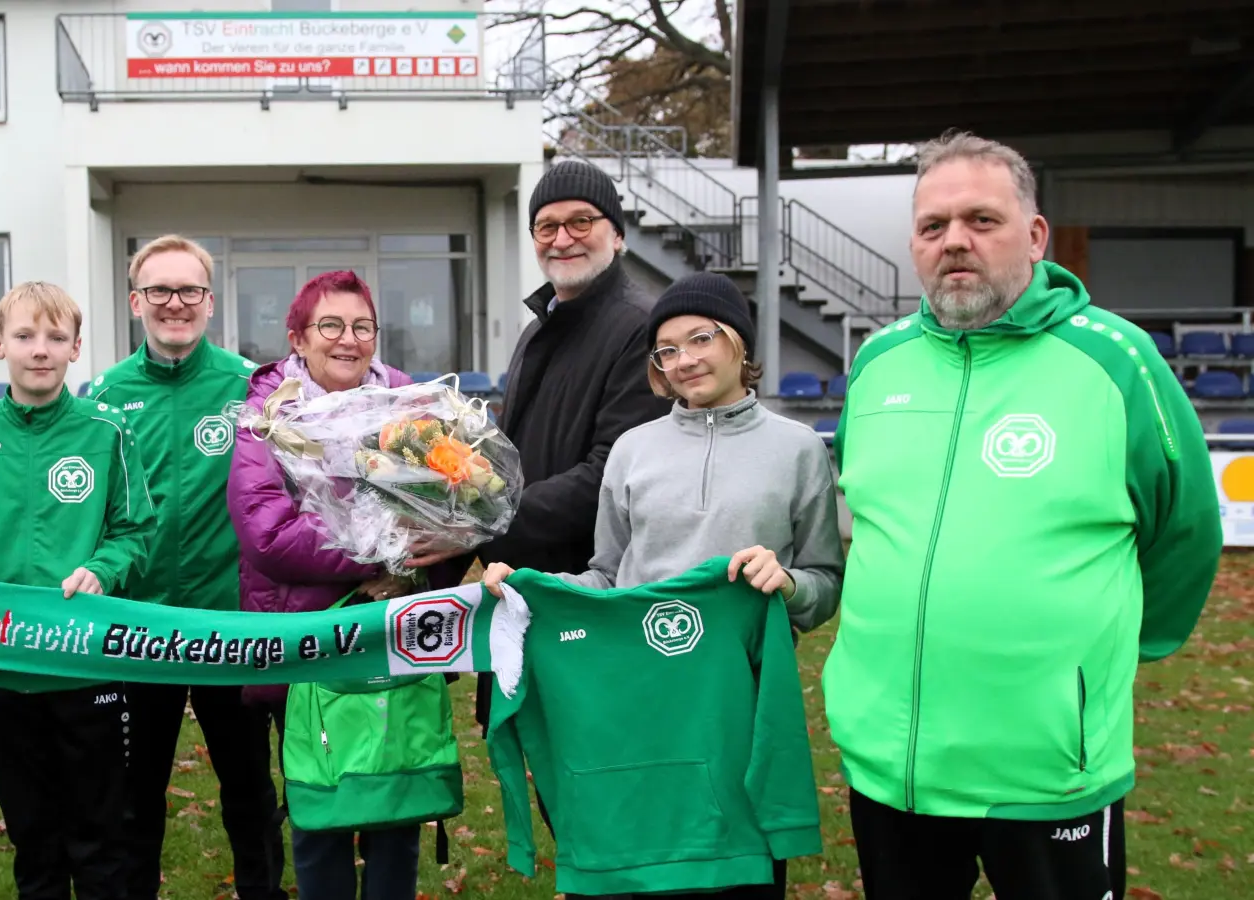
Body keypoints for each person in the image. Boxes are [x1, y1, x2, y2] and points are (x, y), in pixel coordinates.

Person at [827, 131, 1221, 900]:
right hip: (890, 766)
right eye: (933, 226)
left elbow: (1186, 531)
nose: (955, 242)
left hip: (1045, 768)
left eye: (982, 220)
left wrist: (1091, 666)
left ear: (1035, 235)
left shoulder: (1116, 360)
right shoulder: (878, 365)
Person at [482, 272, 844, 899]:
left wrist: (787, 583)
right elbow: (607, 573)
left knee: (738, 870)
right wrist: (530, 590)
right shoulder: (631, 449)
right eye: (667, 350)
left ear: (738, 343)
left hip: (738, 706)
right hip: (641, 702)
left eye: (700, 339)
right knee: (644, 864)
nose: (684, 361)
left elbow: (825, 580)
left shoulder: (799, 450)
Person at [228, 271, 469, 900]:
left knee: (398, 802)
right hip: (308, 644)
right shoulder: (265, 420)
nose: (347, 339)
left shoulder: (415, 412)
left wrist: (439, 551)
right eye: (329, 326)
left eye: (361, 326)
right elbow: (270, 538)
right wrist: (384, 554)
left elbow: (456, 521)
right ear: (297, 341)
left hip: (396, 635)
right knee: (320, 809)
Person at [0, 281, 155, 900]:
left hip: (89, 664)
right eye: (26, 336)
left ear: (76, 348)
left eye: (56, 337)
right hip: (5, 669)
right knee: (33, 838)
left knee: (100, 837)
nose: (40, 349)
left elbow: (134, 528)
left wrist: (104, 569)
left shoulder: (106, 430)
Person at [90, 236, 284, 900]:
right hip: (139, 628)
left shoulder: (252, 388)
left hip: (229, 624)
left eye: (189, 290)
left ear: (209, 300)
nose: (176, 304)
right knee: (135, 796)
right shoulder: (105, 396)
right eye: (160, 291)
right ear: (136, 301)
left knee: (249, 790)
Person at [450, 160, 669, 732]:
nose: (562, 238)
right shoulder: (541, 325)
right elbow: (507, 458)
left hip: (589, 604)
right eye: (546, 226)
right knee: (553, 787)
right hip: (527, 593)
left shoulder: (641, 329)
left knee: (597, 788)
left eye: (581, 221)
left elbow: (611, 476)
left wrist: (484, 520)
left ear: (616, 234)